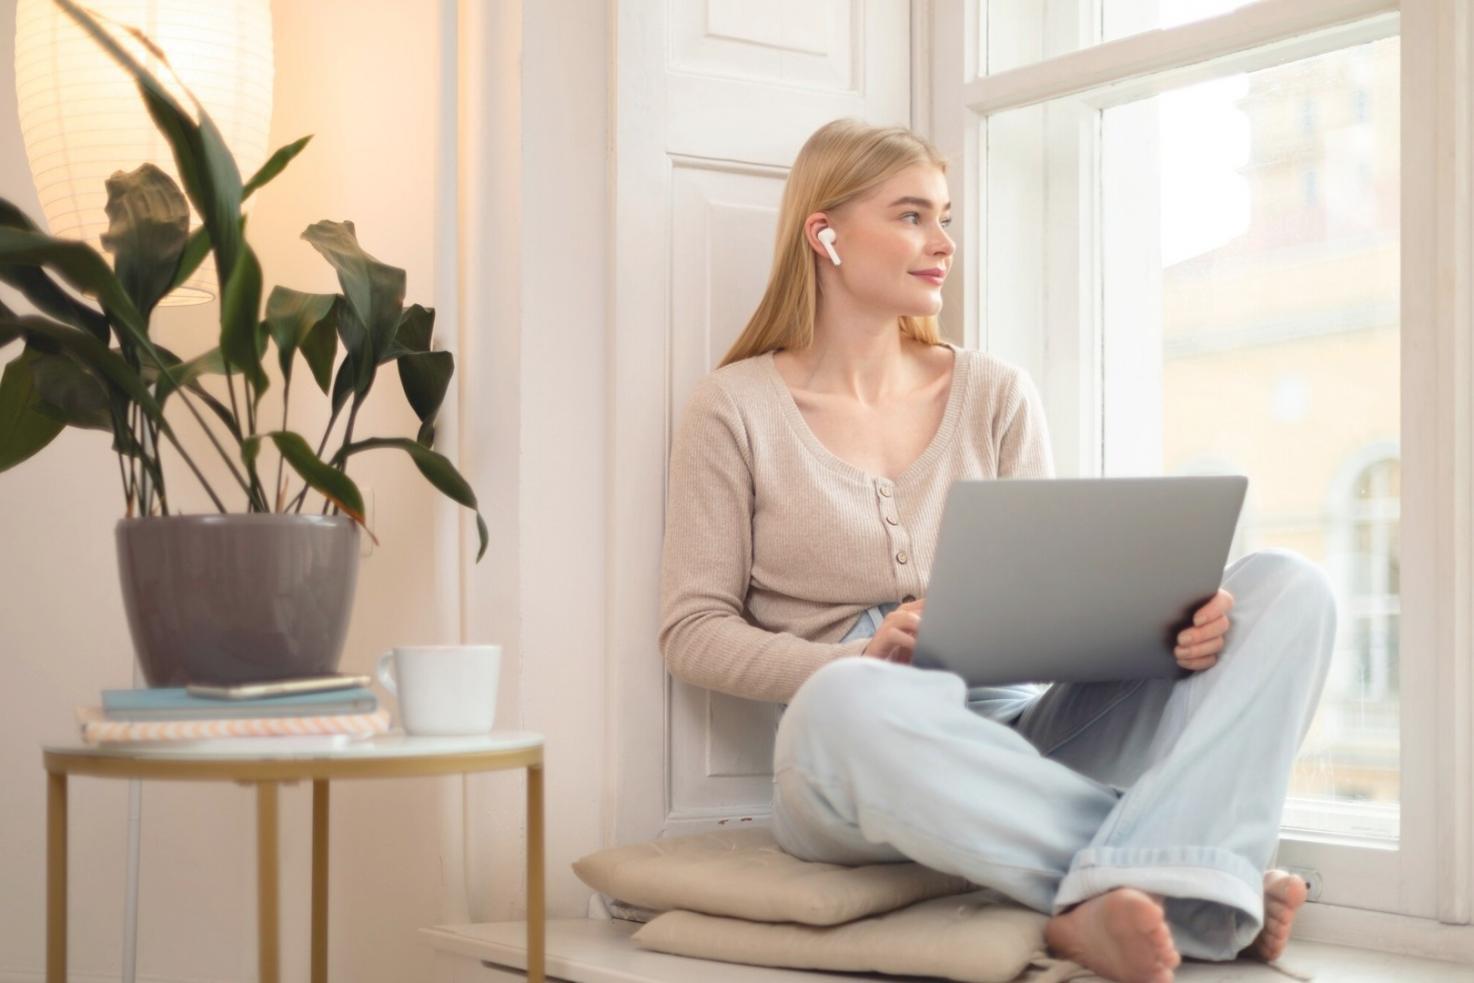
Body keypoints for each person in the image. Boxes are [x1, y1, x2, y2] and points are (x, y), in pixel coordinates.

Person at [658, 117, 1336, 983]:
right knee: (849, 699)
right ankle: (1201, 881)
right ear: (824, 233)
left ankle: (1129, 891)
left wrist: (1168, 635)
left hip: (1026, 739)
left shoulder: (996, 392)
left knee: (1289, 587)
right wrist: (848, 657)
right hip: (852, 758)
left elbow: (1056, 601)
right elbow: (691, 629)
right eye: (910, 216)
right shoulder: (733, 408)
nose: (942, 242)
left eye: (944, 217)